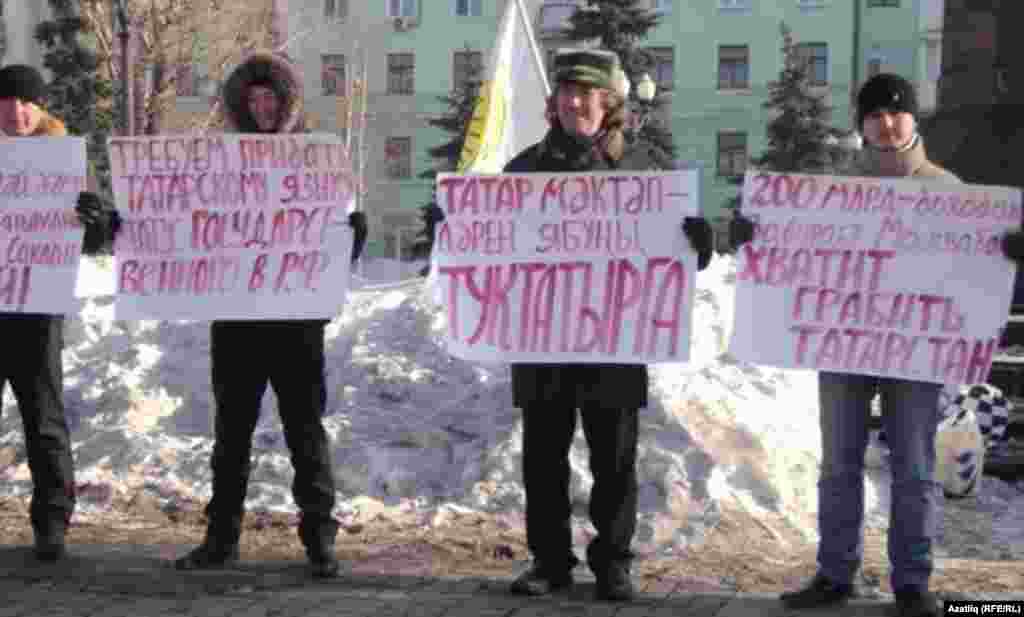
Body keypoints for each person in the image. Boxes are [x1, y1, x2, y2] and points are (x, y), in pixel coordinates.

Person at [732, 74, 957, 617]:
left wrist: (1007, 251)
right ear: (861, 124)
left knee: (915, 465)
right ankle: (835, 573)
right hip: (844, 343)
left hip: (914, 348)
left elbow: (971, 273)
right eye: (874, 114)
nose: (885, 123)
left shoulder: (949, 191)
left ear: (914, 118)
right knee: (838, 462)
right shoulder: (833, 194)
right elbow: (792, 245)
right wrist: (754, 233)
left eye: (895, 112)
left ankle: (912, 581)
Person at [503, 48, 713, 602]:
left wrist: (696, 242)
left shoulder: (643, 169)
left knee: (614, 460)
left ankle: (614, 562)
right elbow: (494, 248)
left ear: (610, 101)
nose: (575, 102)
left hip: (615, 343)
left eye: (587, 93)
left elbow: (672, 259)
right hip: (543, 340)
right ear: (555, 102)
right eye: (567, 92)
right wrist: (455, 228)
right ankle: (549, 561)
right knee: (543, 460)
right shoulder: (523, 170)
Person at [173, 51, 368, 578]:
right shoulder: (219, 161)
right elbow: (188, 226)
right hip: (236, 322)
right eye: (252, 99)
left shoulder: (316, 157)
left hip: (296, 323)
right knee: (230, 434)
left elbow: (338, 238)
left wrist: (353, 231)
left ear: (287, 102)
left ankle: (320, 540)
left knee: (305, 431)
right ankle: (220, 539)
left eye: (270, 98)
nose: (261, 107)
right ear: (241, 104)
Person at [0, 64, 119, 561]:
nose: (17, 110)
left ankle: (52, 522)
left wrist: (95, 220)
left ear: (40, 106)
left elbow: (97, 237)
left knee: (44, 419)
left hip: (37, 309)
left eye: (26, 101)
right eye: (7, 102)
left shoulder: (64, 157)